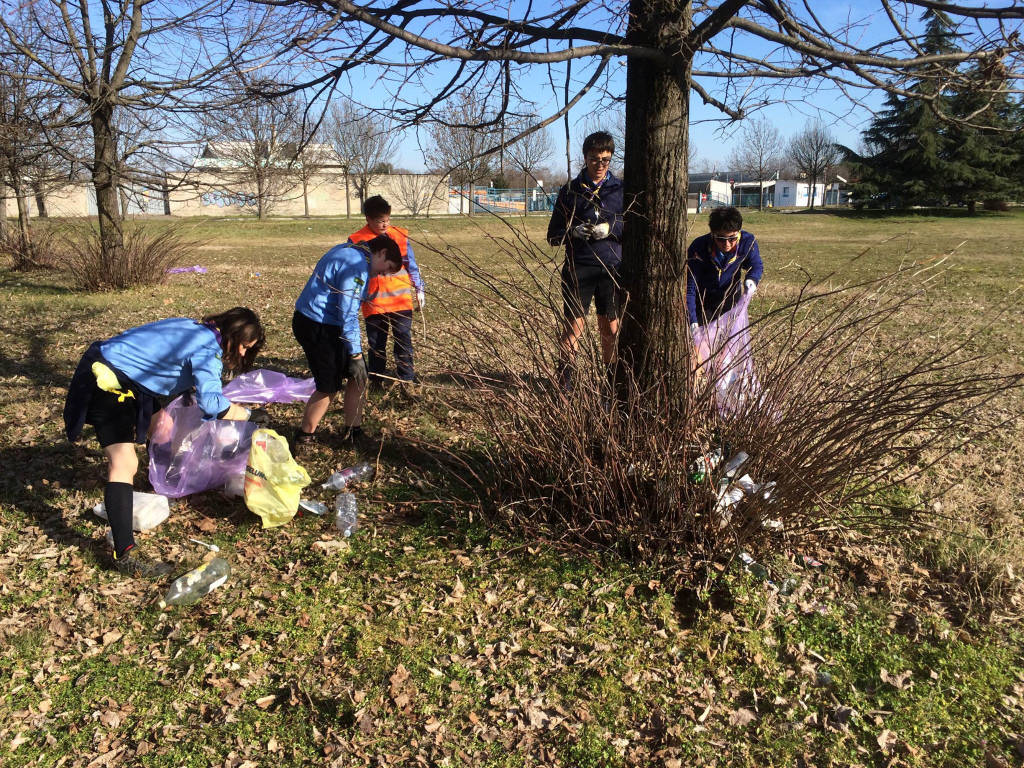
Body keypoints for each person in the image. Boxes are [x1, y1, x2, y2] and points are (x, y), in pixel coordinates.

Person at [63, 307, 268, 578]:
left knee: (163, 428)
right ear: (233, 333)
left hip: (132, 375)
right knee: (124, 463)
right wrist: (250, 415)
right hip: (109, 378)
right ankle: (123, 553)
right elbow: (212, 404)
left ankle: (166, 480)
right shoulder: (207, 349)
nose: (243, 353)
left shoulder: (195, 329)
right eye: (243, 346)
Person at [292, 234, 403, 455]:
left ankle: (354, 432)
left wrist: (357, 360)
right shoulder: (356, 267)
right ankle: (304, 437)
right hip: (316, 325)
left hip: (329, 323)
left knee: (358, 376)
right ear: (381, 253)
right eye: (385, 268)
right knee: (328, 384)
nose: (382, 274)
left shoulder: (352, 251)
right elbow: (349, 314)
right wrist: (355, 356)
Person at [546, 131, 624, 388]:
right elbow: (553, 234)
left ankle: (612, 385)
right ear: (585, 157)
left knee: (610, 328)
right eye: (594, 159)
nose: (600, 165)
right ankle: (565, 385)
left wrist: (610, 228)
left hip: (611, 267)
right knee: (573, 328)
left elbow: (632, 226)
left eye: (605, 159)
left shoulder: (620, 189)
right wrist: (573, 231)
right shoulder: (569, 191)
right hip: (578, 268)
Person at [347, 195, 425, 387]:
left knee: (403, 340)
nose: (385, 225)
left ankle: (407, 378)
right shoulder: (357, 240)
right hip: (374, 302)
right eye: (380, 221)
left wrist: (419, 287)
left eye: (387, 220)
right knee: (376, 344)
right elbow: (353, 271)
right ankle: (376, 379)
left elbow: (411, 264)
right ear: (368, 219)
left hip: (400, 299)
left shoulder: (399, 235)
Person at [685, 206, 763, 331]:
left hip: (731, 300)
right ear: (712, 234)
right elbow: (690, 286)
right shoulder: (699, 247)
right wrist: (692, 319)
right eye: (721, 239)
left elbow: (756, 264)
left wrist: (752, 279)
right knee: (703, 345)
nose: (727, 244)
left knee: (728, 341)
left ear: (739, 232)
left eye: (732, 238)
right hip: (704, 302)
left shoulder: (747, 242)